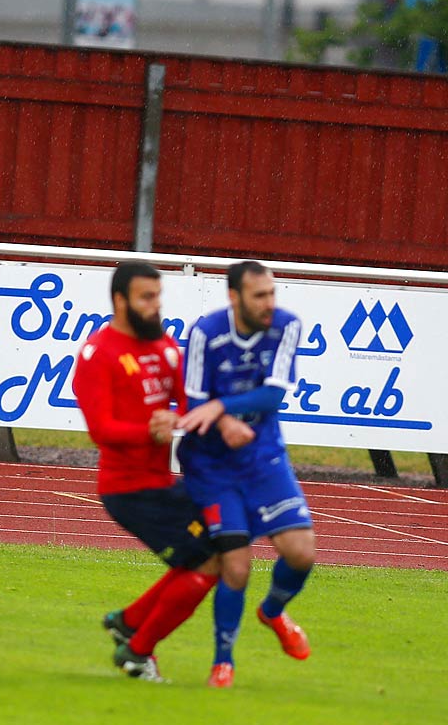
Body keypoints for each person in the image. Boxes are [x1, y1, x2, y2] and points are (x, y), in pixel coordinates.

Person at [71, 261, 223, 683]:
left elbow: (188, 401)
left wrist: (204, 416)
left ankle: (130, 622)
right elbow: (101, 431)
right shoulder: (98, 355)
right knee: (213, 560)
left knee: (220, 549)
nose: (155, 306)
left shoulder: (164, 347)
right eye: (145, 297)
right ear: (120, 300)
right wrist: (151, 430)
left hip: (162, 484)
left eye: (158, 297)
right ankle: (137, 652)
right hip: (129, 490)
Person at [177, 261, 318, 689]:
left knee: (301, 552)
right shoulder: (206, 333)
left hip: (262, 457)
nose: (269, 303)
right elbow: (194, 401)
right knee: (236, 567)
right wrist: (221, 422)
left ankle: (272, 612)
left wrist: (222, 409)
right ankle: (224, 662)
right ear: (234, 297)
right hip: (212, 465)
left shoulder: (287, 326)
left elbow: (274, 394)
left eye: (272, 293)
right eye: (259, 295)